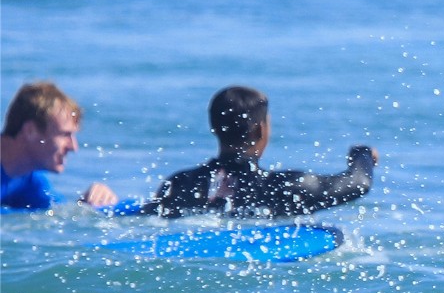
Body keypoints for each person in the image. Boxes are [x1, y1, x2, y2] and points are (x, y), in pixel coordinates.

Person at [145, 86, 377, 218]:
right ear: (260, 130)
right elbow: (358, 183)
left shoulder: (180, 183)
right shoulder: (287, 187)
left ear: (213, 127)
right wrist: (363, 154)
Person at [1, 81, 117, 210]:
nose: (73, 147)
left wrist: (91, 204)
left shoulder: (30, 181)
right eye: (65, 135)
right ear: (30, 131)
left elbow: (64, 216)